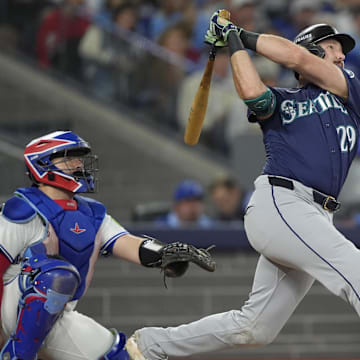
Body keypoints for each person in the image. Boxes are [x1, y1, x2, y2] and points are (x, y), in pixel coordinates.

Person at [125, 10, 360, 360]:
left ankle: (149, 345)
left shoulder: (350, 90)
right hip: (282, 202)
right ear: (312, 52)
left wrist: (240, 33)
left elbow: (296, 57)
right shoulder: (284, 100)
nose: (341, 54)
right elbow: (252, 92)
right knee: (354, 270)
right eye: (331, 47)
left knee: (255, 327)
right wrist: (235, 41)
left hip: (314, 215)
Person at [0, 130, 215, 359]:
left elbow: (127, 243)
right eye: (67, 158)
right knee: (55, 273)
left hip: (59, 314)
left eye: (78, 157)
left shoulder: (91, 213)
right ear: (42, 164)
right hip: (13, 306)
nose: (77, 164)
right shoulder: (21, 209)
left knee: (119, 356)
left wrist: (165, 254)